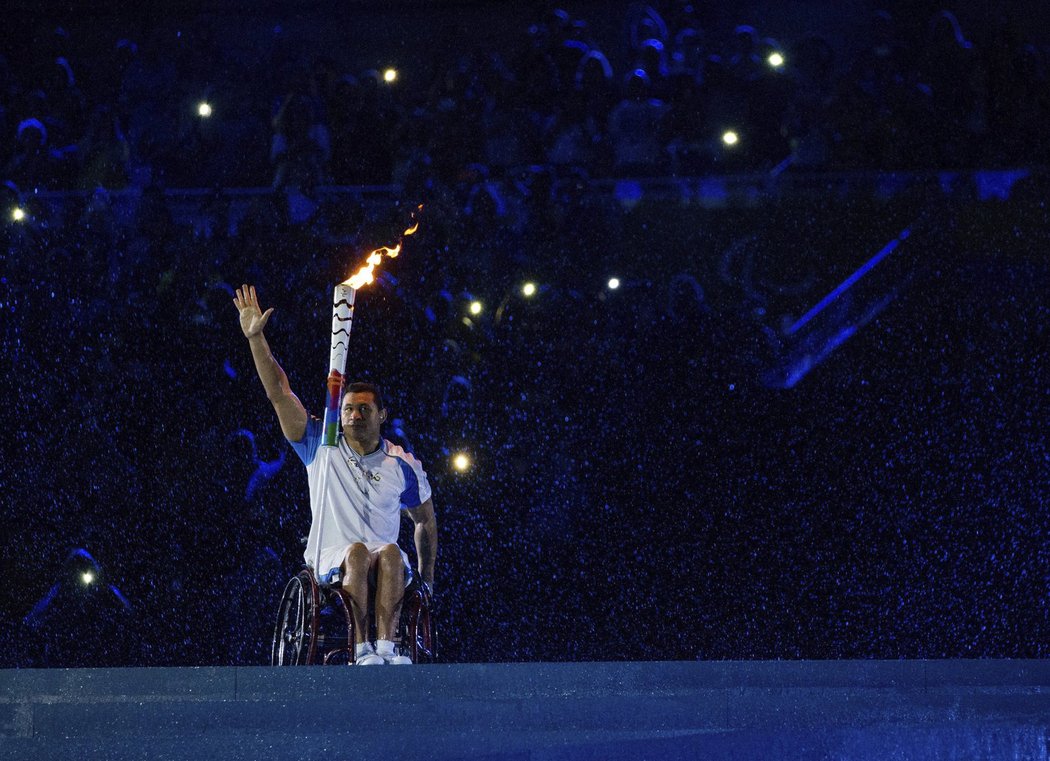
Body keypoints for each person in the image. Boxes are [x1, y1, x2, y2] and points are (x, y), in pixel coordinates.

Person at [233, 284, 438, 665]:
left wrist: (426, 579)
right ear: (338, 414)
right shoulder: (320, 444)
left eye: (364, 409)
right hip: (331, 556)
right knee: (358, 553)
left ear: (382, 415)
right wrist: (256, 338)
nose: (354, 415)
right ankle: (362, 650)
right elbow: (280, 392)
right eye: (347, 409)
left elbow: (425, 520)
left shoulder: (402, 464)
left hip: (386, 559)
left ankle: (387, 650)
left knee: (391, 552)